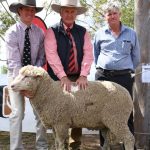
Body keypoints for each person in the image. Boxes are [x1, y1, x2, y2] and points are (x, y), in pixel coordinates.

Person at [44, 0, 93, 149]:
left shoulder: (83, 32)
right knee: (57, 113)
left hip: (78, 77)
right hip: (57, 78)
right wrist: (62, 76)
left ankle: (75, 145)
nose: (69, 14)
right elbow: (51, 55)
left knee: (78, 111)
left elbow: (88, 54)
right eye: (66, 11)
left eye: (73, 11)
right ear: (61, 12)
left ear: (76, 13)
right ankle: (60, 144)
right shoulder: (51, 31)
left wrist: (84, 75)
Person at [93, 2, 140, 149]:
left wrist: (124, 69)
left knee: (126, 110)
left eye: (114, 13)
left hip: (123, 78)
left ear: (119, 15)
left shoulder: (131, 33)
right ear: (105, 17)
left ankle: (129, 146)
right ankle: (104, 146)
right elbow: (96, 54)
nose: (112, 16)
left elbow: (136, 57)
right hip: (103, 77)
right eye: (109, 14)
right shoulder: (99, 34)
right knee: (101, 112)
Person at [5, 0, 48, 149]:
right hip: (16, 77)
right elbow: (14, 62)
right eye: (26, 10)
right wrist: (23, 84)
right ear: (19, 11)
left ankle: (42, 146)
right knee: (17, 113)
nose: (30, 13)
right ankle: (16, 147)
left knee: (40, 113)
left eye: (32, 10)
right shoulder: (12, 32)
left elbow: (42, 58)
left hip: (35, 79)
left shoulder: (39, 32)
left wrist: (32, 81)